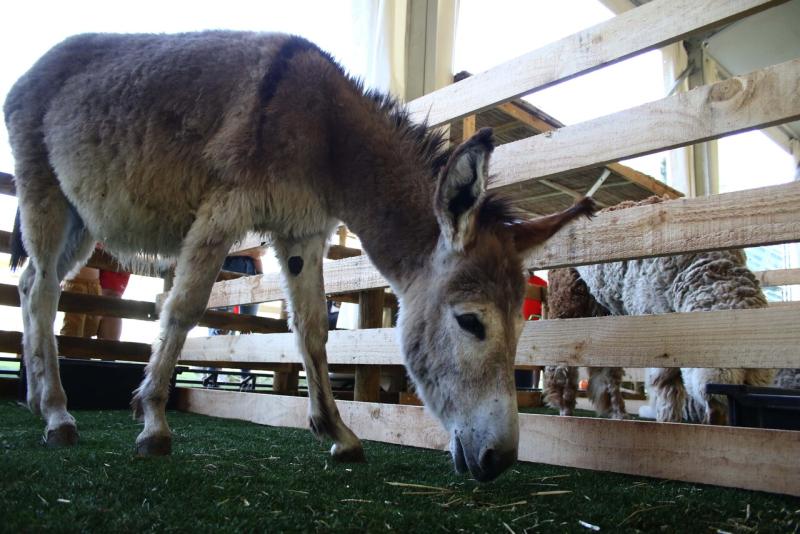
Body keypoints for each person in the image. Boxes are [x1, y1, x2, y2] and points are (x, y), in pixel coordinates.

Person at [204, 250, 264, 389]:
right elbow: (222, 248)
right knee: (221, 327)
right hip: (224, 273)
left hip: (251, 277)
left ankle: (246, 378)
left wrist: (259, 270)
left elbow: (260, 251)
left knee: (248, 328)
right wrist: (250, 253)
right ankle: (211, 376)